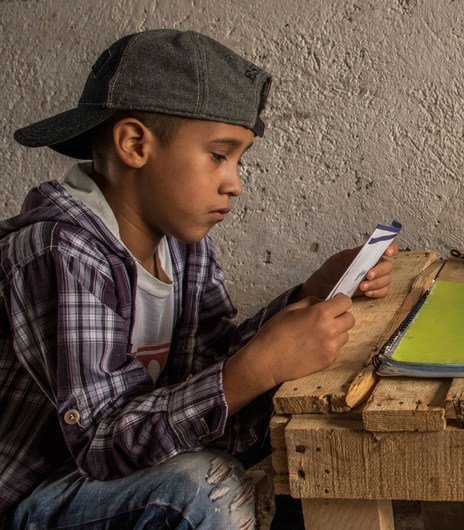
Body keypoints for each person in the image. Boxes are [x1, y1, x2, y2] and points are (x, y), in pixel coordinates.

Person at [0, 30, 397, 528]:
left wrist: (313, 292)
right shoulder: (60, 251)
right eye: (218, 155)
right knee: (201, 489)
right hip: (36, 496)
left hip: (121, 474)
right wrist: (256, 367)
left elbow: (205, 368)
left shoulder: (181, 243)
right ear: (134, 144)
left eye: (239, 160)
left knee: (296, 428)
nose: (234, 183)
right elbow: (100, 444)